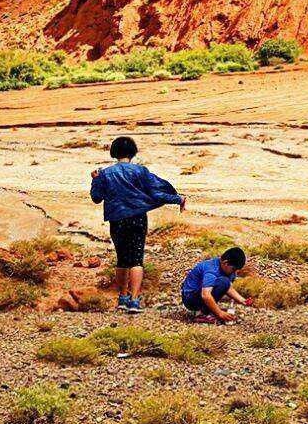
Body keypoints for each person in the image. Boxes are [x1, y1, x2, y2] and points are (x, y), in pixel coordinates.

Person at [89, 136, 185, 313]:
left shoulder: (105, 174)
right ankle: (134, 300)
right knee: (136, 259)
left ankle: (122, 298)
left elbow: (96, 198)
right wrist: (177, 198)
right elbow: (157, 190)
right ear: (133, 152)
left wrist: (95, 179)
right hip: (137, 218)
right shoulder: (140, 171)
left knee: (122, 259)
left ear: (114, 153)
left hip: (116, 220)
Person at [180, 247, 251, 323]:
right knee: (224, 281)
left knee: (224, 282)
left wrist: (243, 300)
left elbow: (228, 287)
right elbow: (206, 295)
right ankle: (200, 313)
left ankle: (207, 310)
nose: (234, 273)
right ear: (225, 263)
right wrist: (220, 313)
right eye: (233, 269)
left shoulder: (224, 268)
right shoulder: (211, 270)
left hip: (199, 293)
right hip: (190, 299)